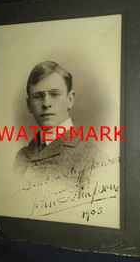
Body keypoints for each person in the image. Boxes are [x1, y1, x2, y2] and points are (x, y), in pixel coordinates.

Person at [13, 61, 107, 190]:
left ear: (70, 99)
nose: (46, 104)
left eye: (54, 94)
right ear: (29, 104)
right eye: (38, 96)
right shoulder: (21, 155)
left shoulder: (93, 159)